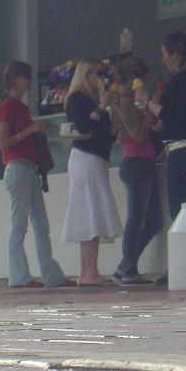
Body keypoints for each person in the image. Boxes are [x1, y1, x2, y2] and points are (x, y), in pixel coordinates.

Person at [0, 61, 75, 289]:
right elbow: (3, 142)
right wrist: (30, 130)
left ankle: (48, 275)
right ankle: (21, 275)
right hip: (18, 168)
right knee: (21, 224)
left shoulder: (19, 107)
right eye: (24, 77)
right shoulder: (9, 106)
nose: (27, 82)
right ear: (14, 79)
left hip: (28, 170)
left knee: (40, 224)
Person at [61, 59, 122, 286]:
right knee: (89, 212)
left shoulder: (95, 100)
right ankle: (89, 271)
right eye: (96, 74)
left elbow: (111, 134)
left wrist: (111, 109)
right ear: (86, 76)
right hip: (85, 159)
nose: (100, 79)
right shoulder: (77, 99)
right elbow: (83, 126)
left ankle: (88, 271)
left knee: (91, 211)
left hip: (97, 159)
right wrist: (100, 108)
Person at [109, 56, 162, 286]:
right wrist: (151, 106)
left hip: (141, 163)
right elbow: (136, 134)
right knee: (137, 220)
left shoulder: (124, 103)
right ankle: (128, 269)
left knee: (152, 220)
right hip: (137, 164)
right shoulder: (126, 103)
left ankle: (126, 264)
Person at [147, 31, 186, 221]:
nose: (164, 60)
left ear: (176, 54)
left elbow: (168, 112)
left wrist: (147, 102)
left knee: (180, 208)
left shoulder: (182, 80)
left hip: (182, 152)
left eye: (165, 55)